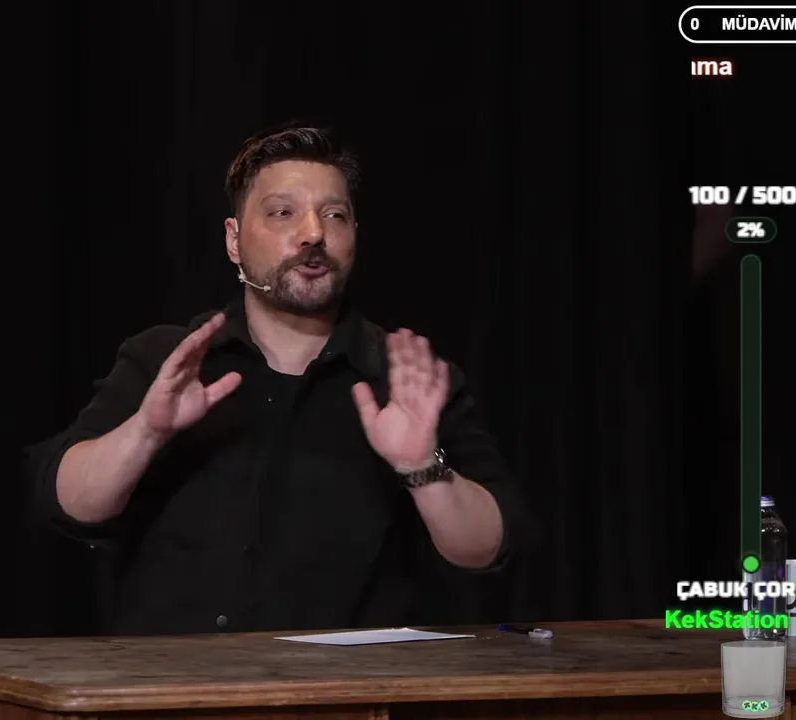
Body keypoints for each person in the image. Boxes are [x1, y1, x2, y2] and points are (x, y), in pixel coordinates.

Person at [29, 125, 532, 635]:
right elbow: (70, 503)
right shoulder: (165, 359)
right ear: (233, 240)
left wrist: (421, 467)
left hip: (350, 681)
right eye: (282, 212)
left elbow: (486, 547)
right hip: (173, 678)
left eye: (334, 215)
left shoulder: (408, 379)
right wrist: (146, 431)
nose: (313, 234)